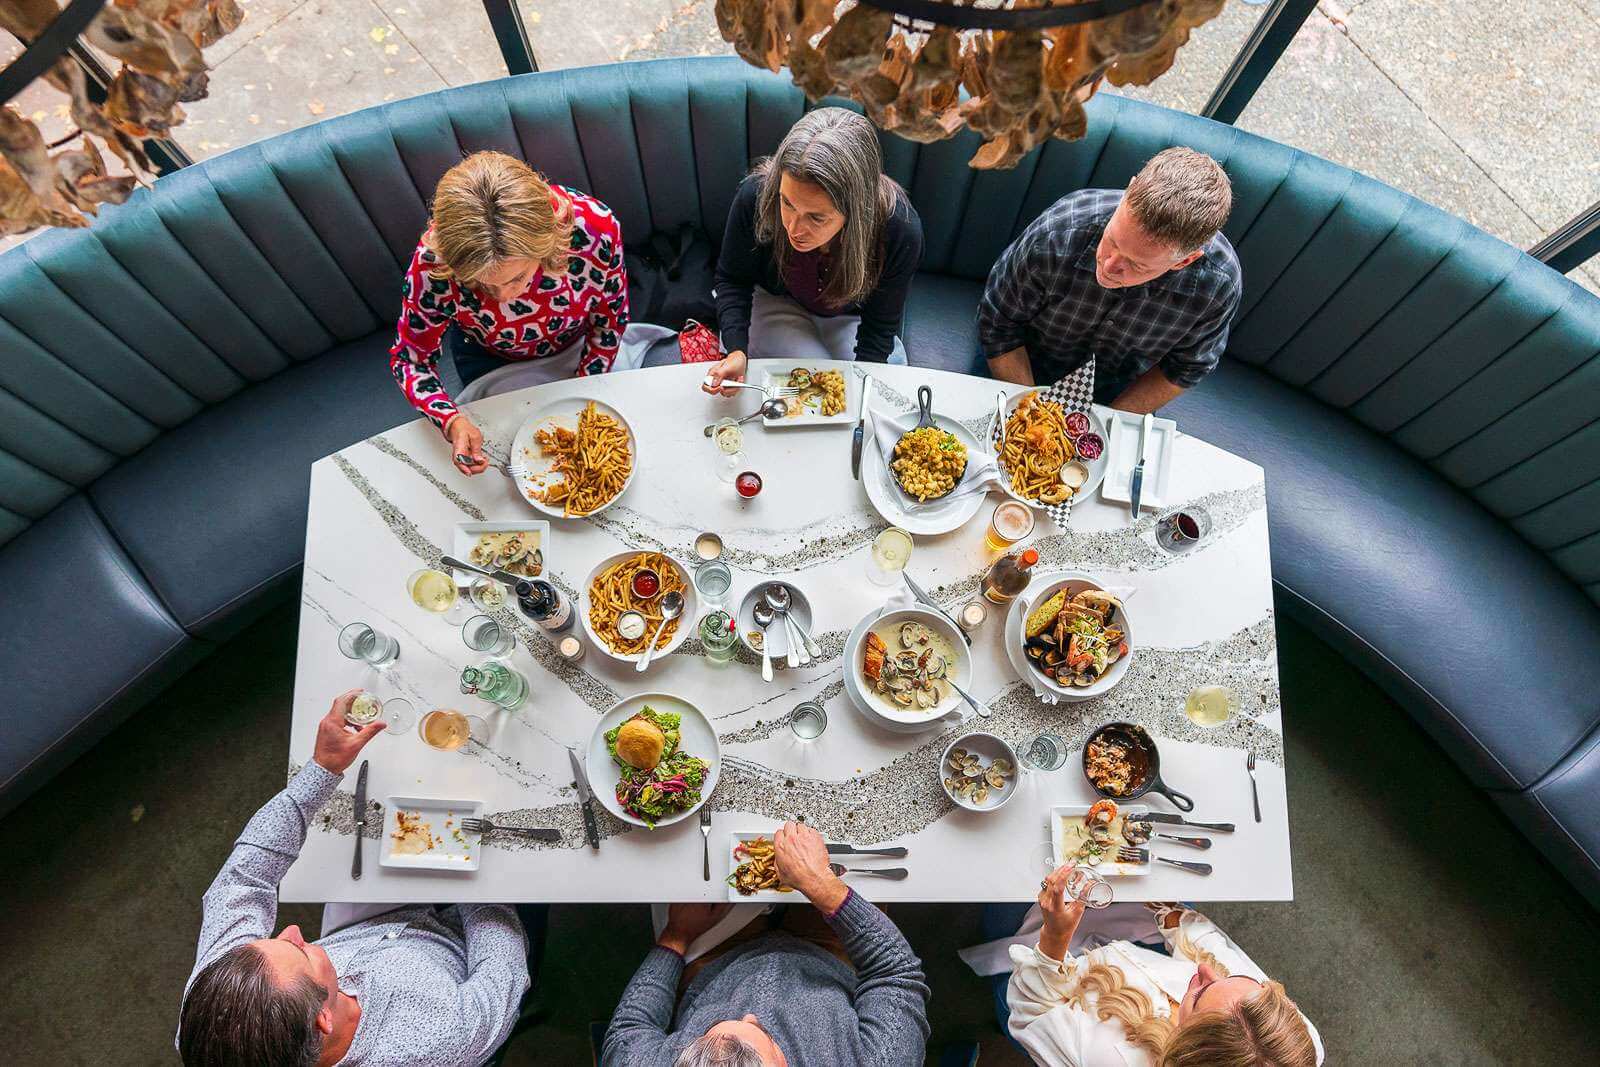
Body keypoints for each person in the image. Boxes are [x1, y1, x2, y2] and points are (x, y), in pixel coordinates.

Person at [176, 691, 535, 1066]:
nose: (295, 931)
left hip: (364, 926)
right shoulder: (437, 1039)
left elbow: (243, 879)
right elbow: (500, 973)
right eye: (301, 953)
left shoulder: (218, 999)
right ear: (323, 1020)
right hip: (466, 942)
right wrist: (471, 876)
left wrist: (321, 769)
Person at [602, 821, 930, 1066]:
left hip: (717, 964)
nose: (751, 1014)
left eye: (710, 1031)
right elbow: (895, 972)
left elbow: (629, 1029)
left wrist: (676, 936)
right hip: (831, 959)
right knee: (859, 830)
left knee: (688, 867)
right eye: (768, 1037)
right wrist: (821, 885)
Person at [390, 150, 628, 475]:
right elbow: (410, 360)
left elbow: (610, 324)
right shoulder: (432, 262)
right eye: (483, 285)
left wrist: (583, 389)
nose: (504, 297)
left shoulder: (595, 230)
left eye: (518, 277)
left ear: (548, 244)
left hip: (580, 347)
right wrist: (451, 421)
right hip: (490, 359)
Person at [978, 147, 1241, 414]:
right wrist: (1034, 417)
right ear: (1129, 190)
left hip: (1114, 390)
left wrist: (1109, 422)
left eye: (1137, 264)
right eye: (1112, 240)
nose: (1108, 265)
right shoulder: (1057, 233)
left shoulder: (1218, 284)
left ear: (1184, 261)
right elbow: (998, 325)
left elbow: (1186, 368)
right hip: (1023, 360)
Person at [702, 107, 924, 396]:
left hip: (852, 317)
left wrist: (861, 395)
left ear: (857, 210)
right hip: (776, 301)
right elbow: (732, 279)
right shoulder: (754, 196)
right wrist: (735, 351)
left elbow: (879, 328)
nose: (793, 227)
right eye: (786, 203)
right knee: (807, 382)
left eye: (816, 217)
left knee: (869, 387)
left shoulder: (899, 230)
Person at [1003, 865, 1322, 1066]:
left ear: (1183, 1046)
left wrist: (1055, 938)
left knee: (1005, 889)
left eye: (1199, 994)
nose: (1203, 971)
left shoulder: (1104, 1058)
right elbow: (1215, 953)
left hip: (1046, 984)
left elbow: (1031, 1014)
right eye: (1241, 980)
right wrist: (1167, 909)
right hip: (1135, 954)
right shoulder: (1292, 1043)